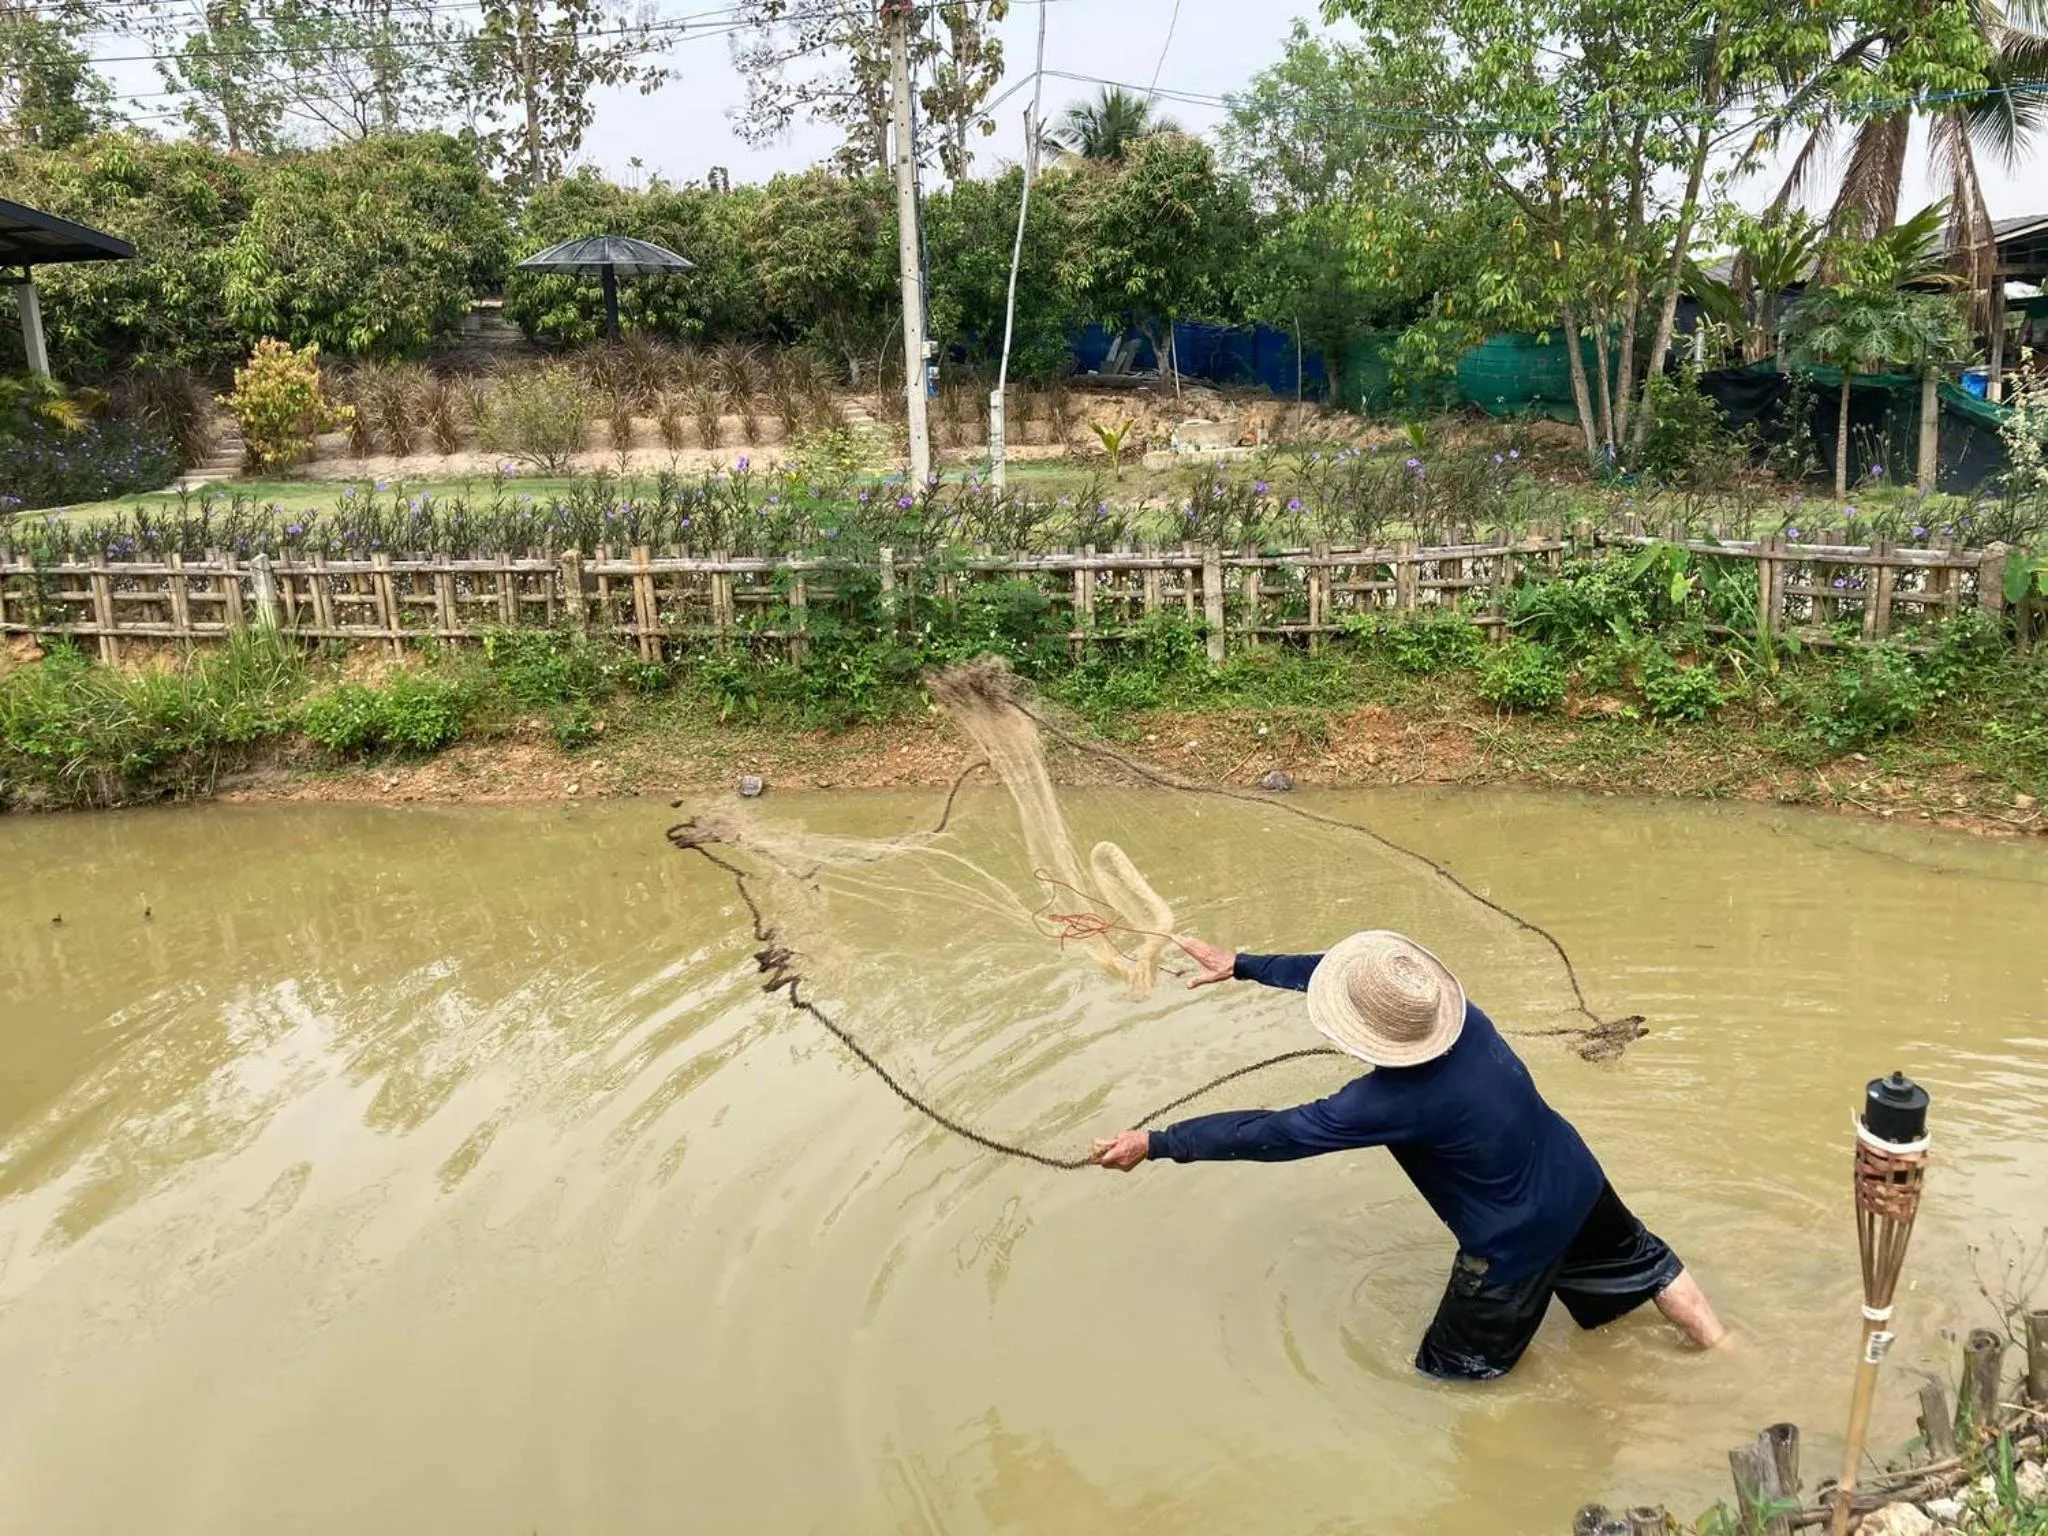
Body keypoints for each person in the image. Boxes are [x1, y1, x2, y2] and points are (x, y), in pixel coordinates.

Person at [1090, 930, 1727, 1381]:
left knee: (1452, 1380)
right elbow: (1356, 980)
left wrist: (1159, 1143)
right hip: (1577, 1179)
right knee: (1646, 1265)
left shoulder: (1383, 1103)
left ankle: (1593, 1414)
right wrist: (1245, 964)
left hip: (1512, 1241)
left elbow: (1273, 1134)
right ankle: (1725, 1352)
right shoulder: (1464, 1018)